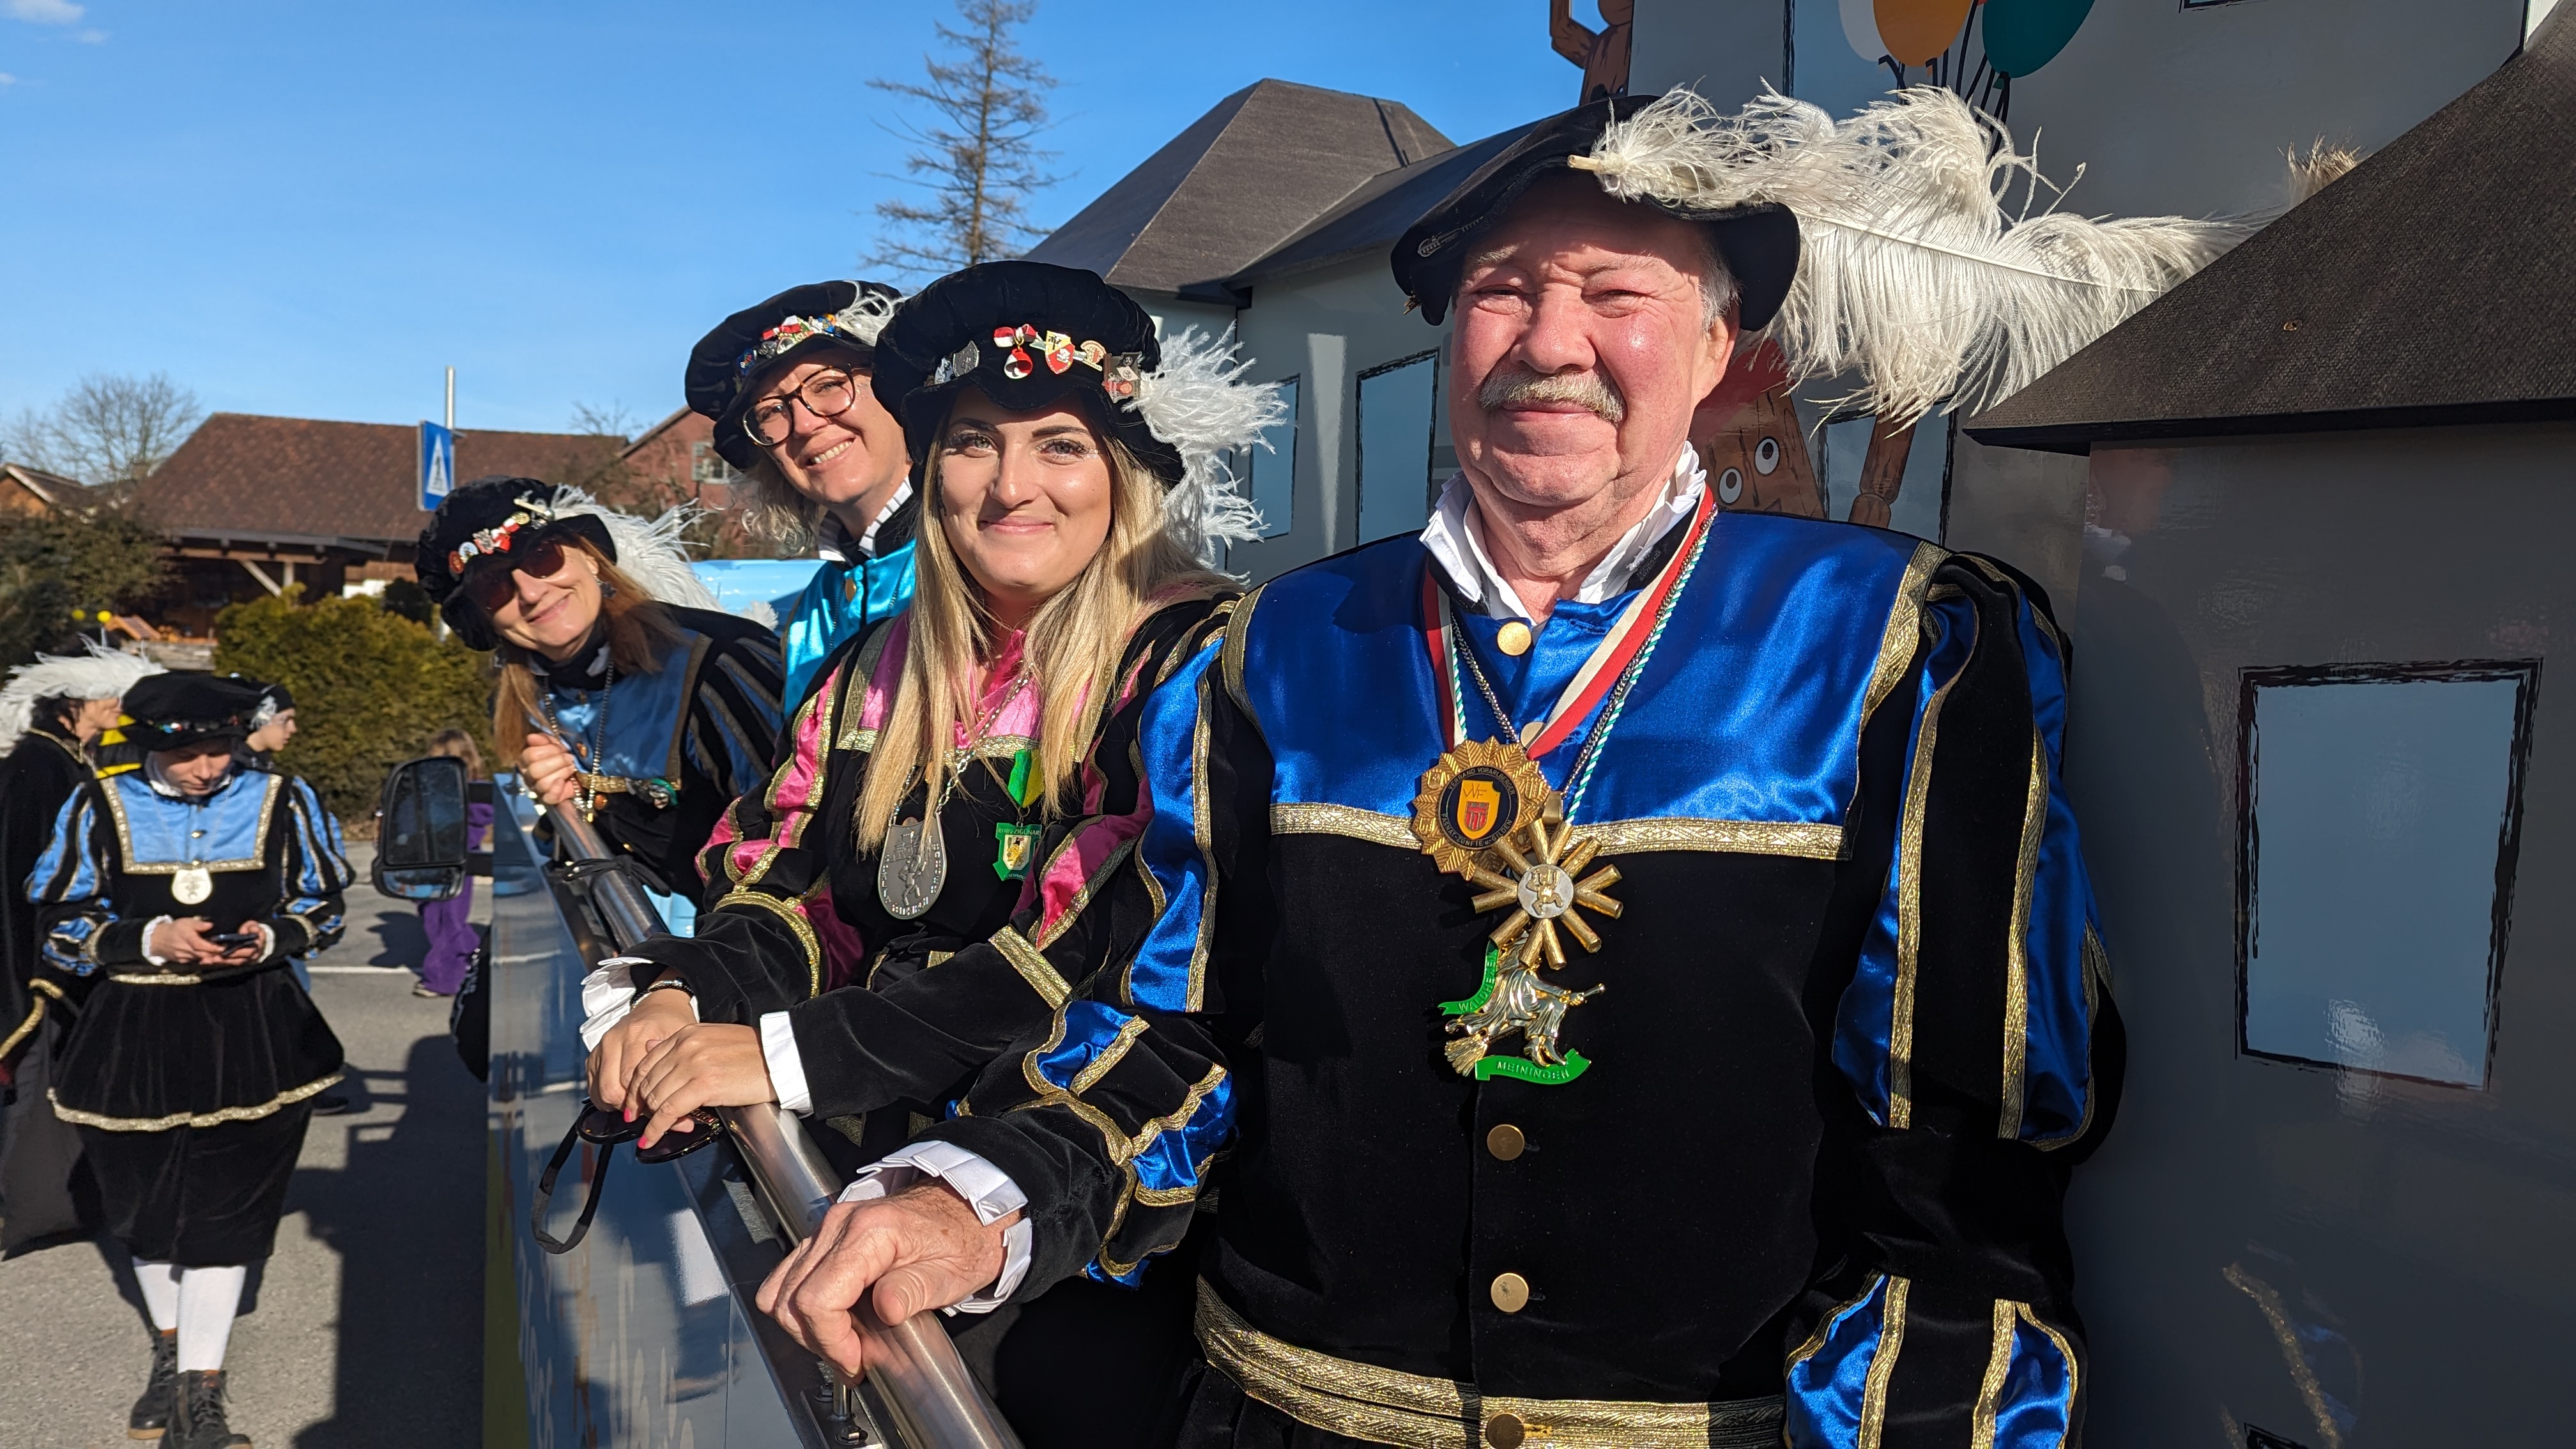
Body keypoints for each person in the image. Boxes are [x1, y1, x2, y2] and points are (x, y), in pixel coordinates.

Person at [751, 94, 2124, 1448]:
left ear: (1717, 347)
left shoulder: (1898, 642)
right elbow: (1179, 1028)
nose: (1551, 341)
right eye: (1501, 291)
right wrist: (979, 1198)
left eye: (1616, 294)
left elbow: (1959, 1167)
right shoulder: (1274, 646)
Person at [582, 260, 1279, 1443]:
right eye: (971, 444)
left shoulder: (1195, 662)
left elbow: (1084, 960)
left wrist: (784, 1054)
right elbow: (788, 883)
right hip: (864, 1175)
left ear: (1124, 470)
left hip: (1069, 1208)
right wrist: (684, 992)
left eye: (1059, 444)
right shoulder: (875, 665)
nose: (1011, 486)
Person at [29, 671, 351, 1449]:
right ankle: (171, 1356)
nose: (209, 768)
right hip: (132, 1030)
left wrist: (271, 937)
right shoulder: (99, 803)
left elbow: (325, 905)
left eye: (221, 750)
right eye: (190, 754)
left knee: (227, 1211)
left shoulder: (284, 800)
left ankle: (199, 1396)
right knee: (144, 1208)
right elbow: (59, 921)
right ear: (147, 746)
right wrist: (149, 939)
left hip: (254, 1028)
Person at [413, 479, 786, 933]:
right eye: (493, 586)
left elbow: (796, 844)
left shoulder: (719, 665)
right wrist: (560, 807)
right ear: (484, 619)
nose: (530, 592)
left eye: (541, 556)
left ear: (589, 556)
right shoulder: (529, 702)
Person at [686, 280, 919, 709]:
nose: (805, 424)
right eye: (771, 411)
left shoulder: (983, 560)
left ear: (895, 389)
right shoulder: (811, 611)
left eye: (827, 385)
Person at [0, 643, 160, 1253]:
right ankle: (37, 1206)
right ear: (71, 704)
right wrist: (49, 953)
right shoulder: (40, 766)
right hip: (38, 955)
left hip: (62, 947)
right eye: (106, 697)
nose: (116, 707)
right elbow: (29, 871)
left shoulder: (65, 758)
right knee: (37, 1079)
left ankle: (64, 1202)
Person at [413, 730, 493, 999]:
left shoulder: (472, 793)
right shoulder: (433, 791)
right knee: (432, 917)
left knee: (448, 920)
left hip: (456, 864)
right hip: (432, 862)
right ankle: (473, 952)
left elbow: (480, 818)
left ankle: (444, 979)